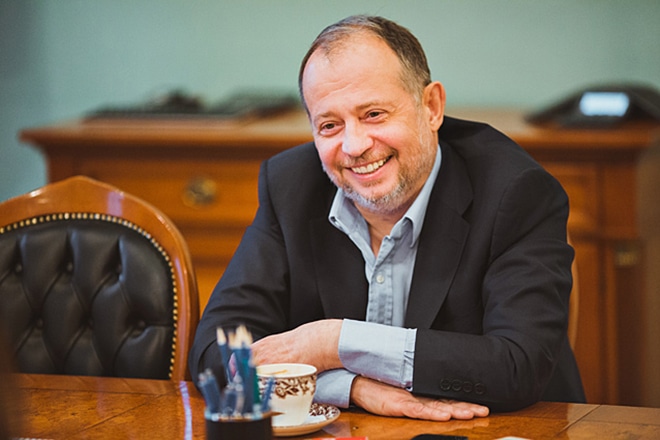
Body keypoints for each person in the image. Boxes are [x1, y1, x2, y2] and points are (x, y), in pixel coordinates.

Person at [189, 15, 585, 421]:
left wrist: (334, 342)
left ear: (431, 107)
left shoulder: (515, 192)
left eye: (374, 114)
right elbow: (212, 358)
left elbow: (518, 366)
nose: (354, 145)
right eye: (330, 125)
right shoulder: (290, 187)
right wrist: (351, 387)